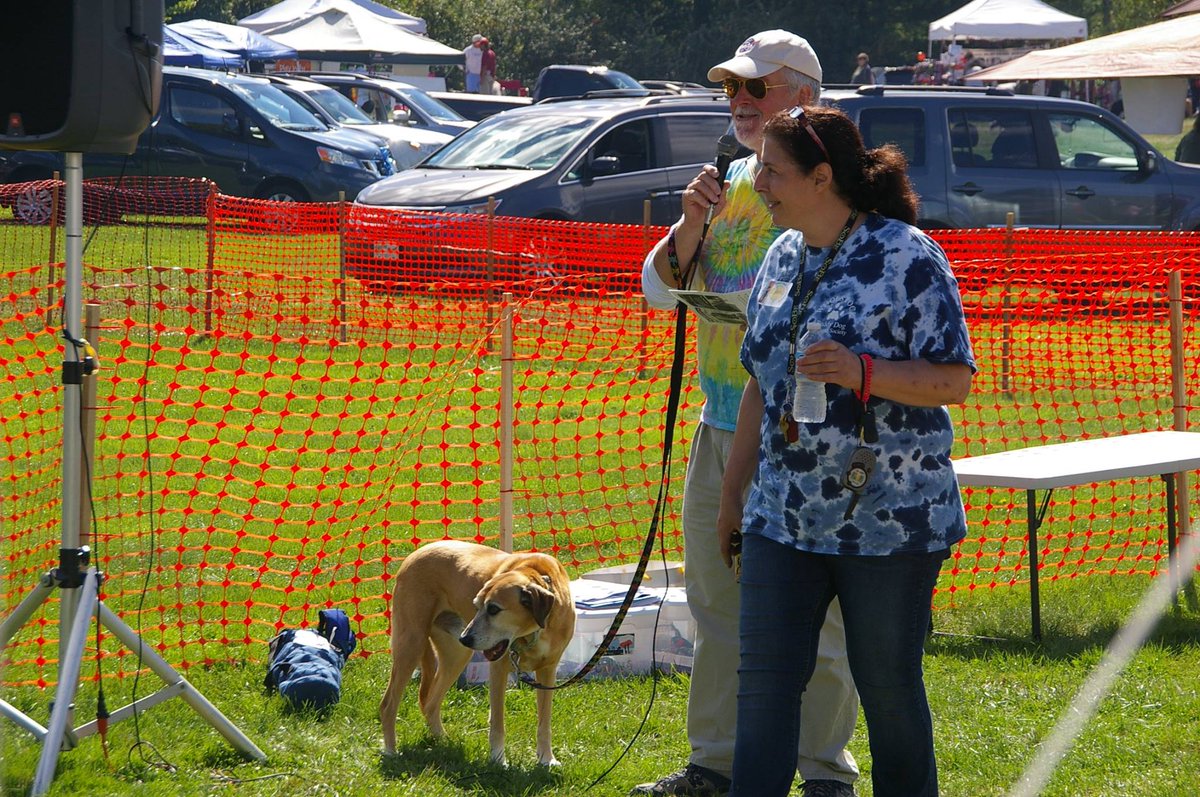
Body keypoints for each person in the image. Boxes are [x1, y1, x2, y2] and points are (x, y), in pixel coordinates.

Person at [716, 104, 976, 797]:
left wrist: (864, 372)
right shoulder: (779, 253)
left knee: (888, 685)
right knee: (764, 685)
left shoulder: (908, 256)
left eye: (772, 169)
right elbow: (760, 382)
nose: (760, 180)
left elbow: (955, 379)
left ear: (821, 176)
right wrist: (733, 493)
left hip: (889, 521)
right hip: (783, 515)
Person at [635, 30, 860, 797]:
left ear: (805, 95)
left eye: (755, 89)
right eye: (732, 88)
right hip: (720, 420)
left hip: (808, 431)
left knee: (819, 613)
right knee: (717, 606)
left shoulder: (839, 183)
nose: (739, 102)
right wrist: (689, 226)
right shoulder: (725, 179)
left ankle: (826, 771)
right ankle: (715, 763)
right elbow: (658, 288)